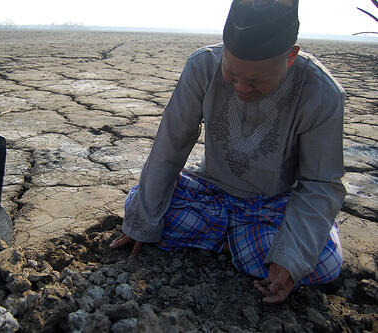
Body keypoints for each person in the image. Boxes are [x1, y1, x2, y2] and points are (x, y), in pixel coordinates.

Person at [110, 0, 346, 304]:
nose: (242, 89)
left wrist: (290, 257)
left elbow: (320, 184)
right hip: (211, 195)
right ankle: (241, 246)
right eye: (232, 75)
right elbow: (170, 146)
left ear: (290, 56)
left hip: (272, 207)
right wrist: (141, 223)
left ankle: (226, 243)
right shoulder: (203, 66)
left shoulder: (321, 92)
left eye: (256, 80)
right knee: (138, 203)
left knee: (326, 260)